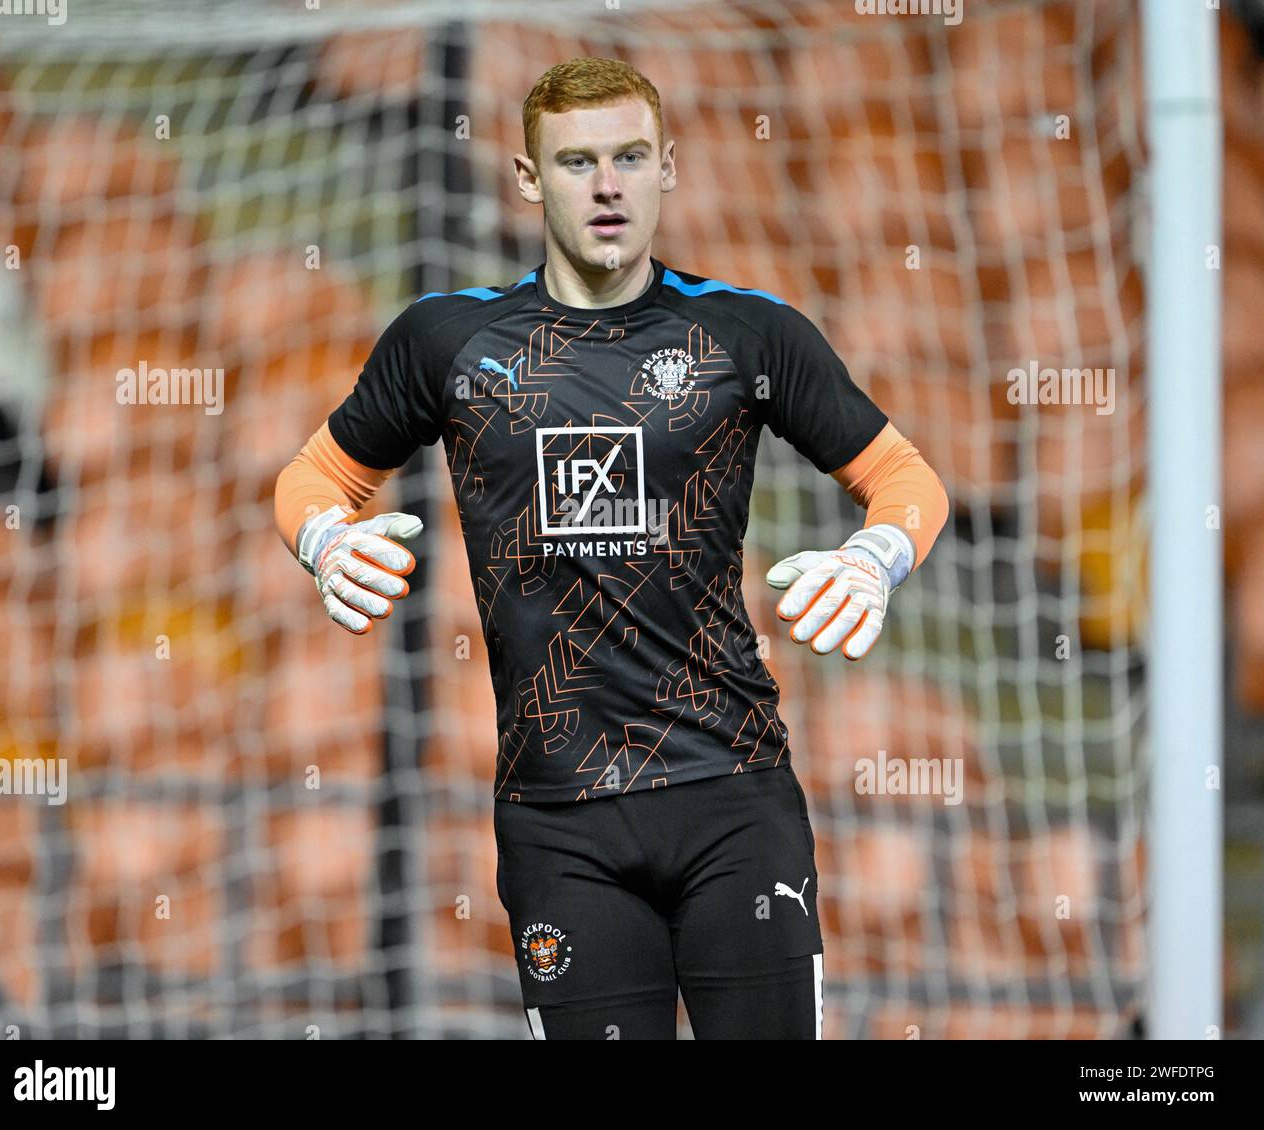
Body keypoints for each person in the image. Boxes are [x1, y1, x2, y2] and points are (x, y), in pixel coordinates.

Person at [274, 57, 948, 1040]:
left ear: (667, 165)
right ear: (526, 177)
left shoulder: (742, 334)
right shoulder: (448, 342)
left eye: (630, 156)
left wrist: (872, 556)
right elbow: (309, 475)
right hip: (559, 816)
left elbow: (907, 477)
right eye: (578, 160)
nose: (607, 184)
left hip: (730, 791)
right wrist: (324, 539)